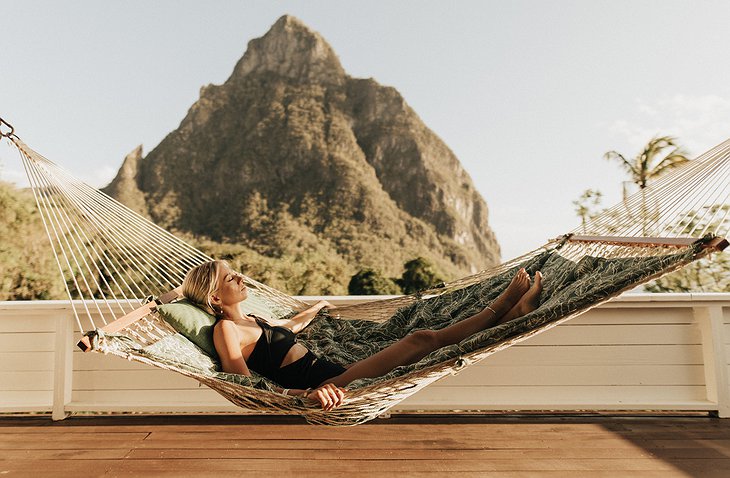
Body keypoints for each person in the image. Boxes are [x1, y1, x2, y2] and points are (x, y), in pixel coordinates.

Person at [182, 260, 543, 411]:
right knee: (420, 339)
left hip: (333, 367)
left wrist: (315, 307)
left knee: (417, 338)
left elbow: (288, 329)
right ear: (215, 298)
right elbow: (245, 384)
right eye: (232, 278)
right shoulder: (225, 329)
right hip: (329, 382)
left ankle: (513, 314)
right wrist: (305, 395)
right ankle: (501, 308)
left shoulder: (256, 320)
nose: (242, 279)